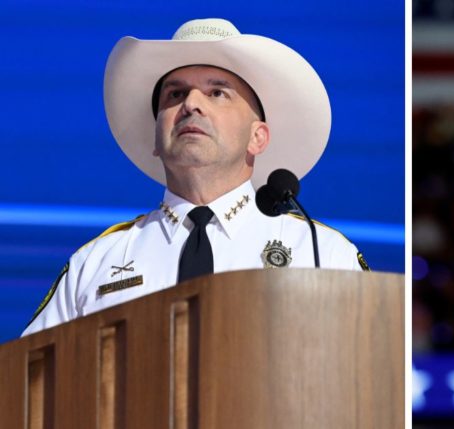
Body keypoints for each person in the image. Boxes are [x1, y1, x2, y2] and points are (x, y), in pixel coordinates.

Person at [23, 18, 368, 336]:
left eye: (217, 92)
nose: (191, 104)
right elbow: (25, 383)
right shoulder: (95, 264)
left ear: (257, 137)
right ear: (156, 140)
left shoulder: (322, 253)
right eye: (175, 94)